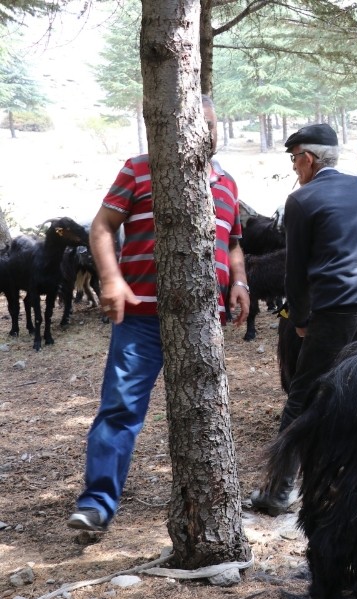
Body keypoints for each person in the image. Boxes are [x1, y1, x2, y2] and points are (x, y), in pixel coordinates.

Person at [68, 96, 249, 532]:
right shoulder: (139, 168)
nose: (204, 133)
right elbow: (102, 226)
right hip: (141, 317)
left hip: (202, 323)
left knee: (202, 411)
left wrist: (239, 282)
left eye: (210, 124)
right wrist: (110, 278)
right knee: (120, 407)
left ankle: (208, 503)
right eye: (194, 123)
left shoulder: (227, 183)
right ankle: (96, 503)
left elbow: (235, 242)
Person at [249, 123, 357, 516]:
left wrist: (299, 318)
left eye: (295, 159)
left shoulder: (302, 199)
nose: (296, 167)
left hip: (338, 306)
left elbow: (295, 271)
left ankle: (279, 490)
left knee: (304, 393)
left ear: (309, 159)